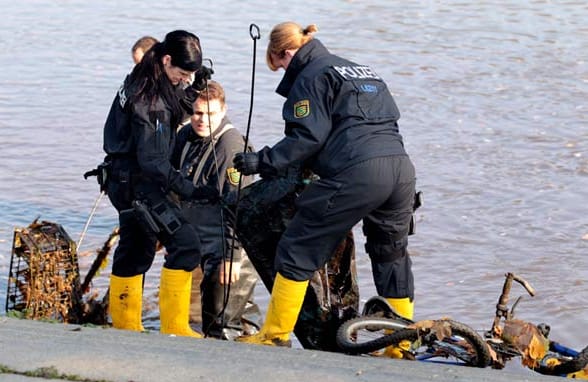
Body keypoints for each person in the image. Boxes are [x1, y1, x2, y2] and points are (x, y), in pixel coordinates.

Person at [233, 22, 417, 347]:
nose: (282, 72)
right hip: (401, 170)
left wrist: (262, 161)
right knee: (391, 254)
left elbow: (307, 137)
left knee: (296, 249)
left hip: (358, 173)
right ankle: (401, 345)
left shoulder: (310, 76)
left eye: (279, 66)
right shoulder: (362, 71)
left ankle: (273, 336)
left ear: (286, 53)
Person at [103, 30, 216, 338]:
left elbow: (175, 103)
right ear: (167, 60)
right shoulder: (149, 99)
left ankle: (126, 329)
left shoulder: (148, 71)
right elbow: (154, 161)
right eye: (182, 73)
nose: (185, 80)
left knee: (136, 250)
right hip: (136, 182)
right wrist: (191, 190)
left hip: (125, 176)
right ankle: (175, 327)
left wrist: (194, 88)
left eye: (191, 74)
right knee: (185, 243)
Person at [172, 80, 260, 339]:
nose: (202, 120)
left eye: (210, 114)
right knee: (238, 317)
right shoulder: (185, 136)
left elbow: (237, 205)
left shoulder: (230, 146)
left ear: (223, 111)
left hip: (230, 242)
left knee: (221, 325)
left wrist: (231, 257)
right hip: (201, 235)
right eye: (198, 113)